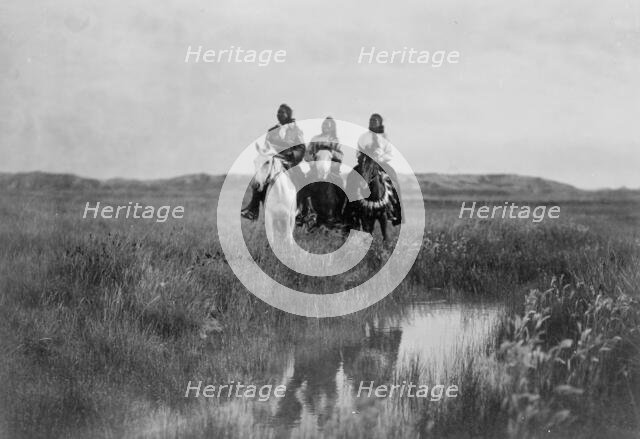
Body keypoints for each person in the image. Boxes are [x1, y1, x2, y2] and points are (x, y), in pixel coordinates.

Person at [241, 104, 306, 221]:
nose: (279, 114)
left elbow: (301, 148)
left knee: (302, 180)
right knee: (258, 181)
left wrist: (291, 155)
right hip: (272, 161)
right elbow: (267, 147)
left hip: (289, 162)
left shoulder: (296, 131)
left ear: (288, 115)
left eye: (282, 112)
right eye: (278, 112)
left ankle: (302, 211)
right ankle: (252, 210)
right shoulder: (272, 131)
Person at [353, 113, 403, 225]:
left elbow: (390, 154)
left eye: (375, 121)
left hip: (381, 163)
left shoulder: (384, 138)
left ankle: (395, 211)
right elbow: (358, 151)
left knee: (393, 180)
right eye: (371, 121)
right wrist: (362, 157)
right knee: (352, 176)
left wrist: (380, 158)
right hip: (365, 163)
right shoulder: (364, 137)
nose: (372, 123)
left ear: (380, 123)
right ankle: (350, 210)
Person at [306, 116, 343, 185]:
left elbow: (340, 156)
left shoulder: (335, 140)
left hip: (331, 170)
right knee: (305, 186)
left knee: (340, 185)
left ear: (332, 127)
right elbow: (307, 153)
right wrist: (312, 162)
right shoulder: (315, 139)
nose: (325, 126)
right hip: (315, 169)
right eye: (324, 124)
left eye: (327, 124)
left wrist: (331, 151)